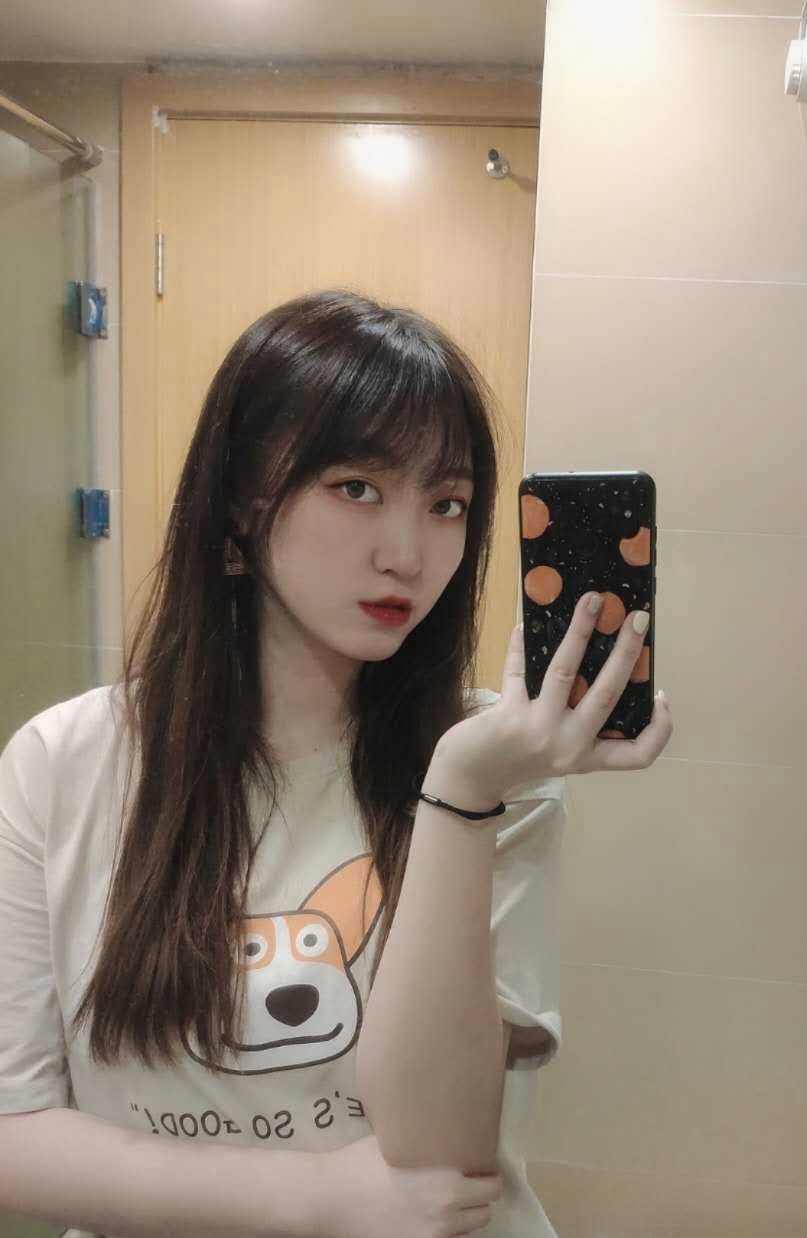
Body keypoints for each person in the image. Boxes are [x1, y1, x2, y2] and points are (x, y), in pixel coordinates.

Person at [0, 288, 673, 1238]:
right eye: (357, 487)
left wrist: (462, 796)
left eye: (446, 504)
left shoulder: (491, 765)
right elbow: (13, 1130)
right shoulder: (61, 762)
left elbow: (440, 1156)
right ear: (242, 498)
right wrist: (313, 1199)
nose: (408, 554)